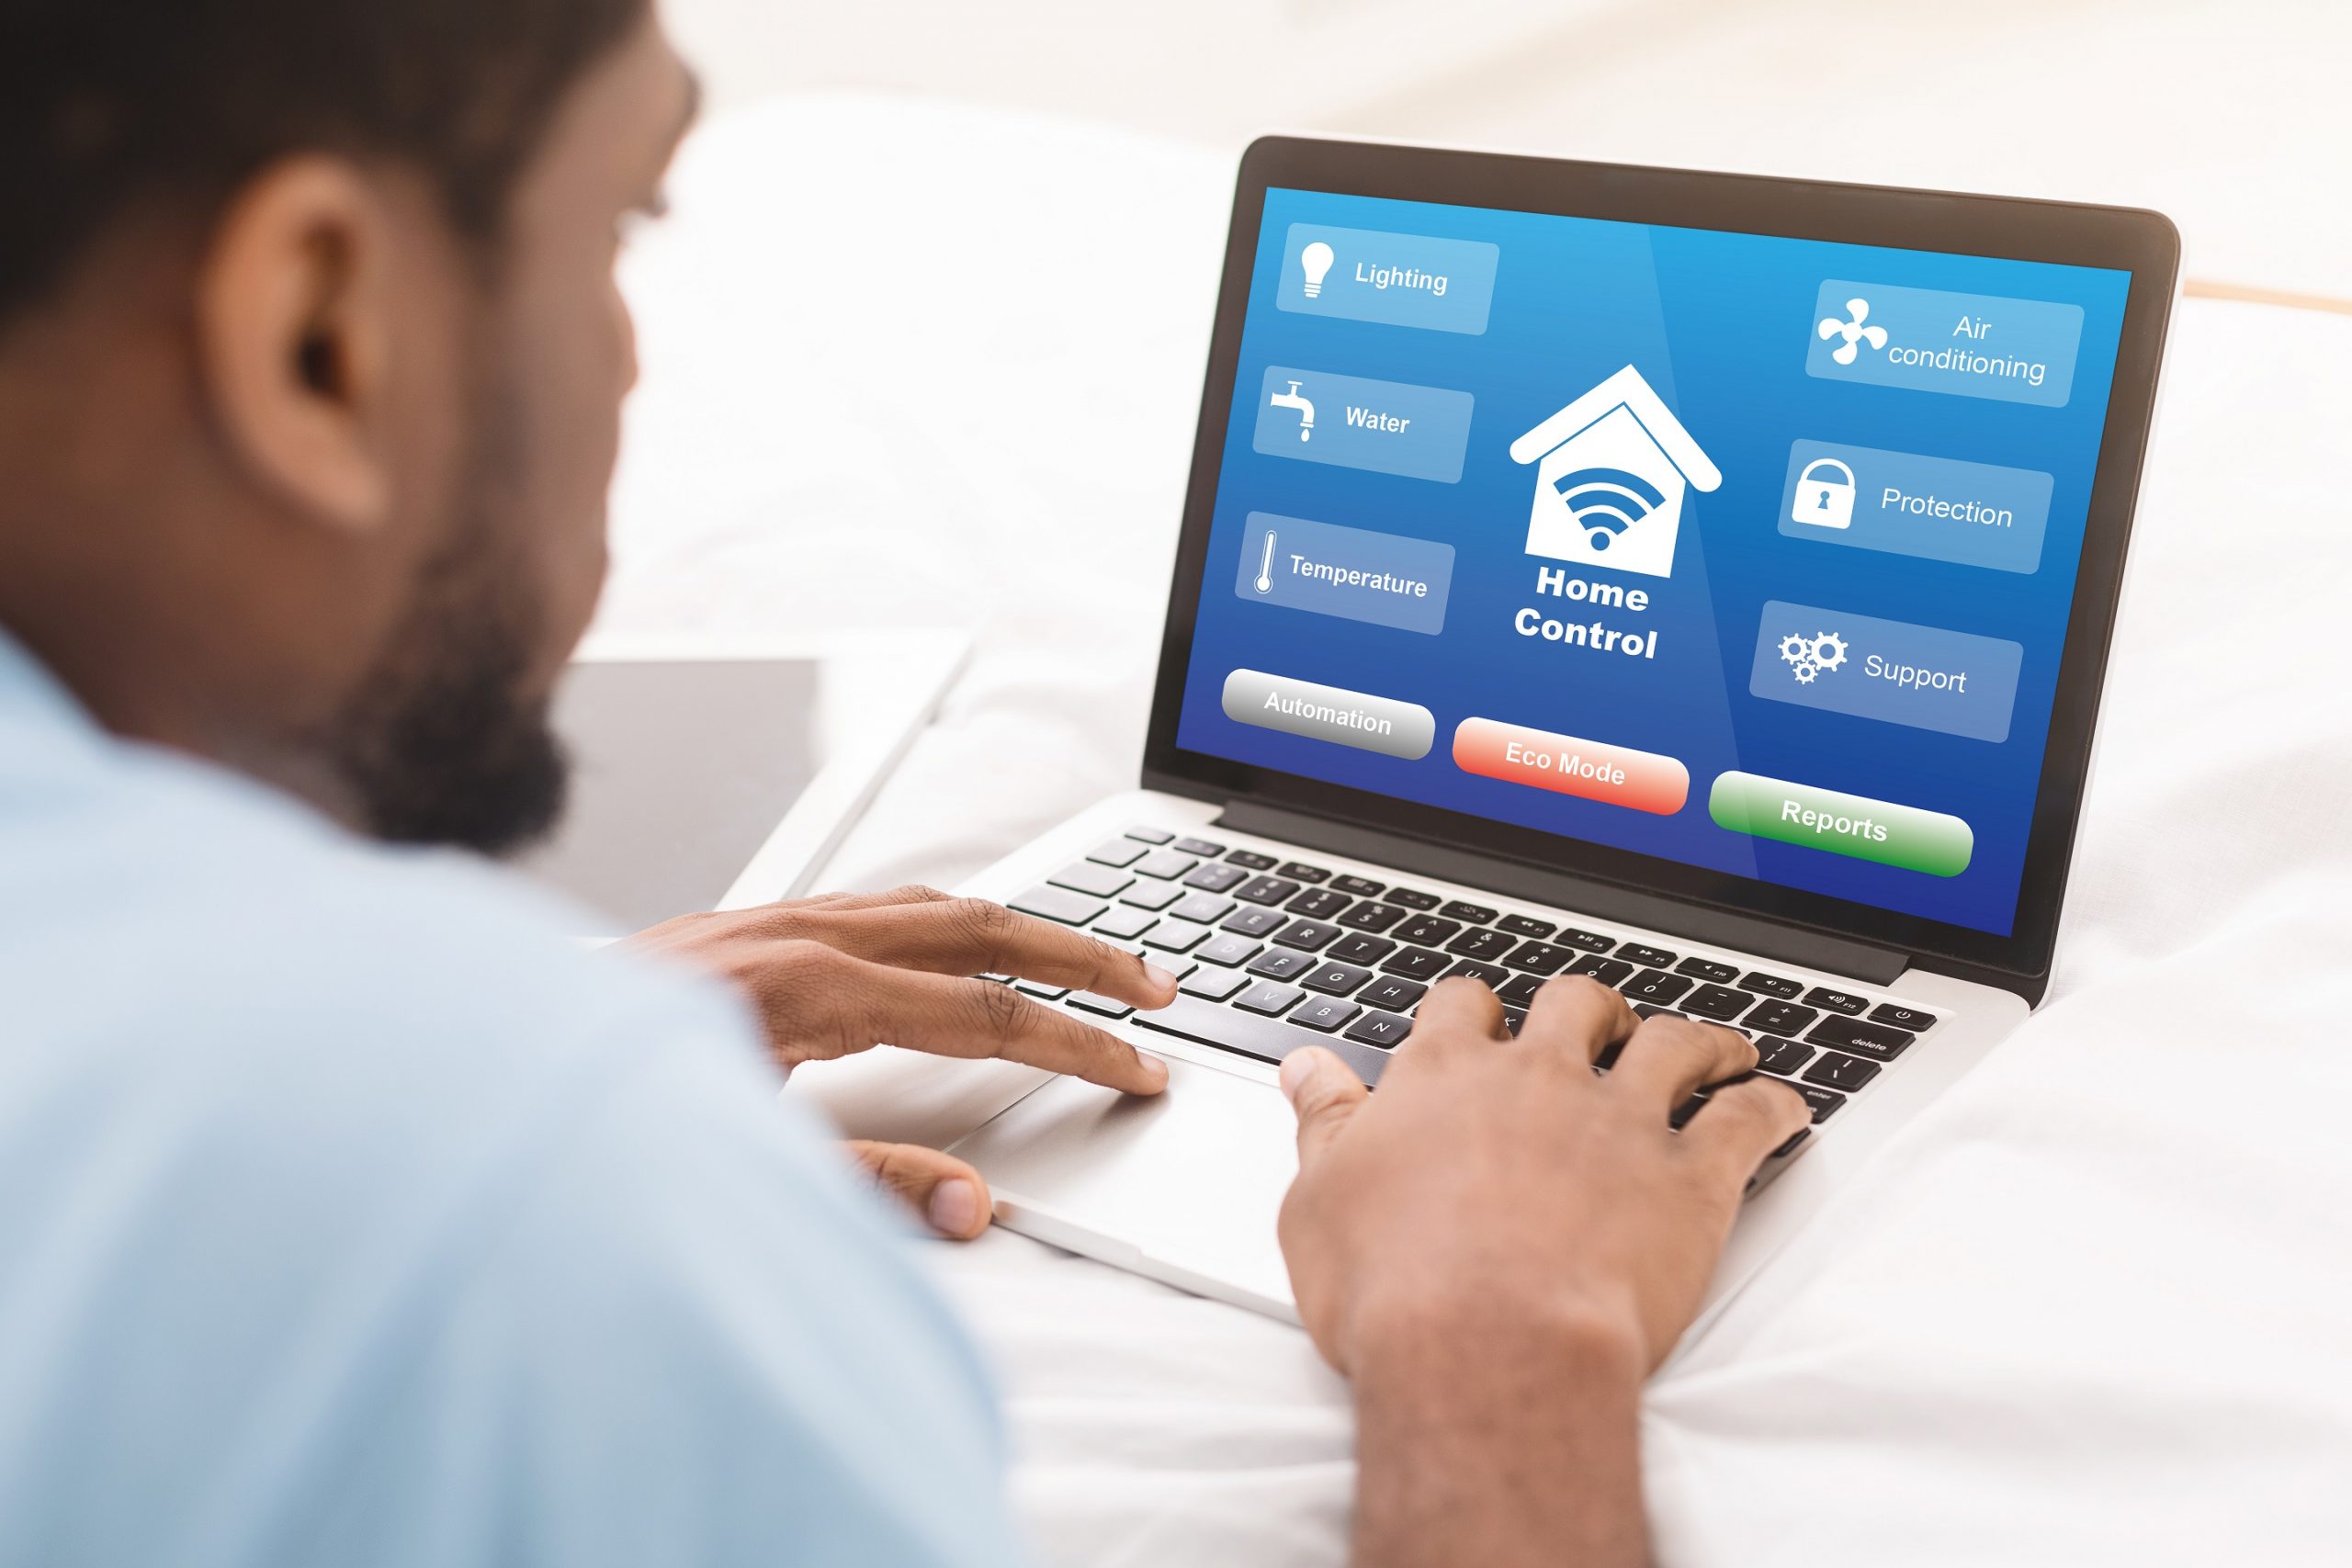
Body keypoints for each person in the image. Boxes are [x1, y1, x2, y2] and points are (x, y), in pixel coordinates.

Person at [0, 2, 1810, 1563]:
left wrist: (425, 1082)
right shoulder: (547, 1227)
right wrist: (1493, 1326)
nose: (629, 353)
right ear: (319, 331)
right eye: (619, 219)